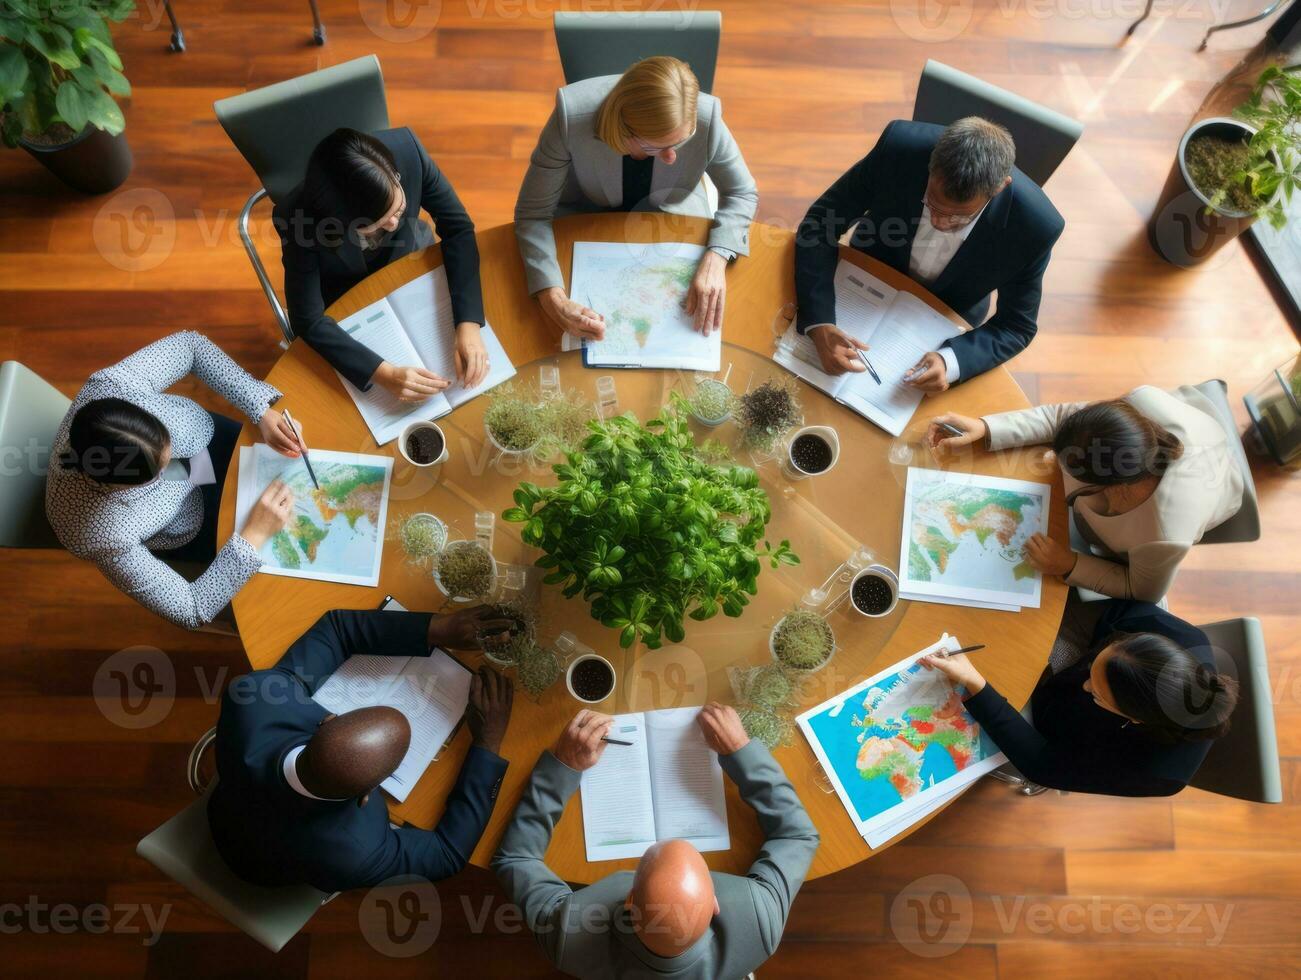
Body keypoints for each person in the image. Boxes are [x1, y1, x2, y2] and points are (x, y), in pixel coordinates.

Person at [492, 702, 819, 978]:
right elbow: (797, 835)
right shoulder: (759, 922)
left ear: (630, 901)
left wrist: (563, 765)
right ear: (715, 906)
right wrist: (741, 753)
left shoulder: (568, 935)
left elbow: (515, 859)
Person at [208, 606, 517, 893]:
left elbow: (335, 630)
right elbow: (447, 855)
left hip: (227, 814)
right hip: (270, 876)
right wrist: (487, 741)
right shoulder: (356, 852)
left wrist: (436, 628)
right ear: (368, 793)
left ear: (328, 720)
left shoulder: (253, 702)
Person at [45, 331, 300, 630]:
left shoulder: (112, 385)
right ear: (120, 486)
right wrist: (252, 537)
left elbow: (191, 346)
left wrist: (258, 408)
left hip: (209, 439)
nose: (177, 462)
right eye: (159, 471)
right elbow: (191, 608)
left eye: (166, 445)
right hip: (195, 520)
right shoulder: (98, 534)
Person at [794, 117, 1064, 387]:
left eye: (958, 218)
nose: (939, 222)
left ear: (1000, 187)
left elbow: (1016, 327)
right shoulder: (898, 148)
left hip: (948, 309)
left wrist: (951, 362)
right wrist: (818, 320)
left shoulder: (1037, 227)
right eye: (932, 204)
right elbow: (820, 224)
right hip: (869, 271)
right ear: (931, 166)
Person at [515, 56, 758, 340]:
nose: (671, 158)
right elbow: (532, 214)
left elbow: (742, 192)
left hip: (674, 212)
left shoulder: (706, 118)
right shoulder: (572, 117)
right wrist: (552, 298)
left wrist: (717, 258)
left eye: (680, 143)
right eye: (655, 147)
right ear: (622, 129)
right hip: (585, 214)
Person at [928, 384, 1244, 603]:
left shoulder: (1163, 536)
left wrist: (1069, 563)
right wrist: (987, 428)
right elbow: (1061, 419)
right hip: (1186, 421)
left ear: (1112, 487)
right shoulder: (1134, 408)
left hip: (1215, 483)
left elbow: (1142, 590)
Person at [921, 599, 1238, 796]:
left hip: (1054, 732)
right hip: (1064, 676)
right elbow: (1119, 611)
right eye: (1105, 653)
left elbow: (1041, 764)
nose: (1086, 687)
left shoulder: (1155, 774)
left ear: (1134, 719)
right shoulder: (1186, 639)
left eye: (1096, 692)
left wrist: (976, 683)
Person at [275, 127, 490, 402]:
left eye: (398, 210)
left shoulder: (408, 151)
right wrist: (383, 373)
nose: (393, 224)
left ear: (394, 175)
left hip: (411, 260)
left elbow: (458, 228)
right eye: (374, 224)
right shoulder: (297, 217)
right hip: (347, 291)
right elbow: (307, 319)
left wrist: (469, 323)